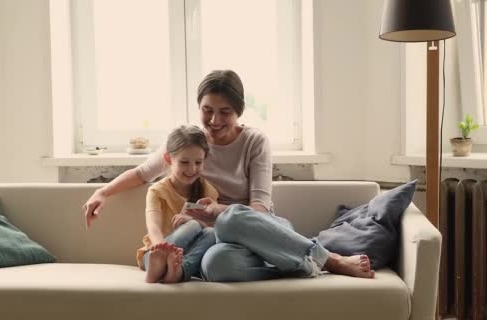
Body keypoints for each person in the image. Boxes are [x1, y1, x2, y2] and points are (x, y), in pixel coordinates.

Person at [83, 69, 375, 281]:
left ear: (239, 111)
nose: (214, 120)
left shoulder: (254, 142)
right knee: (215, 266)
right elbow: (143, 173)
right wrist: (103, 192)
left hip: (258, 227)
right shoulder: (190, 142)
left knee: (231, 217)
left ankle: (328, 259)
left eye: (225, 112)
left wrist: (217, 211)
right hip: (220, 242)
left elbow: (260, 207)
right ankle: (295, 263)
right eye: (207, 110)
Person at [137, 125, 218, 283]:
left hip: (186, 257)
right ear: (169, 159)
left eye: (198, 162)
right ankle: (160, 266)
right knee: (193, 227)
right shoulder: (157, 191)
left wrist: (194, 221)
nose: (192, 169)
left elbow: (212, 229)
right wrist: (161, 249)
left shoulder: (208, 191)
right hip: (155, 253)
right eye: (184, 162)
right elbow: (153, 227)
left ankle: (178, 271)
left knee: (211, 233)